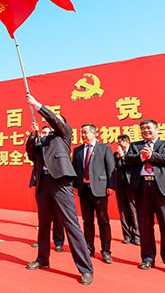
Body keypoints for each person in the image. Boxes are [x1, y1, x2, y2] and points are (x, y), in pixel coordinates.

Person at [25, 94, 93, 286]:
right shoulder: (44, 140)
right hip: (43, 183)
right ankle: (42, 259)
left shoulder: (64, 134)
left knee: (71, 224)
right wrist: (33, 135)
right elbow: (31, 152)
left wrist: (37, 105)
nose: (51, 124)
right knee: (43, 223)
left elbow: (54, 120)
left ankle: (85, 269)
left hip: (60, 182)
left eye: (56, 120)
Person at [124, 119, 165, 276]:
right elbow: (127, 159)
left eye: (148, 128)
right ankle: (148, 258)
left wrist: (152, 155)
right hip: (142, 187)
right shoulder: (136, 145)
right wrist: (141, 157)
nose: (145, 131)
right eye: (143, 128)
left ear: (157, 130)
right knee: (145, 226)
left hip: (161, 188)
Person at [72, 124, 115, 264]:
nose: (83, 135)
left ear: (94, 133)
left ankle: (106, 251)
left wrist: (111, 186)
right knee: (87, 221)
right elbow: (75, 169)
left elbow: (111, 168)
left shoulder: (104, 148)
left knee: (103, 221)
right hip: (84, 190)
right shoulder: (78, 150)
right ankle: (89, 248)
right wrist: (75, 185)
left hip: (100, 189)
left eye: (86, 132)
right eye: (82, 132)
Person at [114, 134, 139, 245]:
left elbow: (131, 165)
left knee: (133, 210)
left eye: (121, 142)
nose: (119, 144)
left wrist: (123, 156)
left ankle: (137, 235)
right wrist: (119, 157)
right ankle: (127, 236)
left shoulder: (133, 153)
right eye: (118, 142)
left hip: (131, 184)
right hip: (120, 185)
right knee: (123, 211)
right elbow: (116, 165)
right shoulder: (116, 154)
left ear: (127, 141)